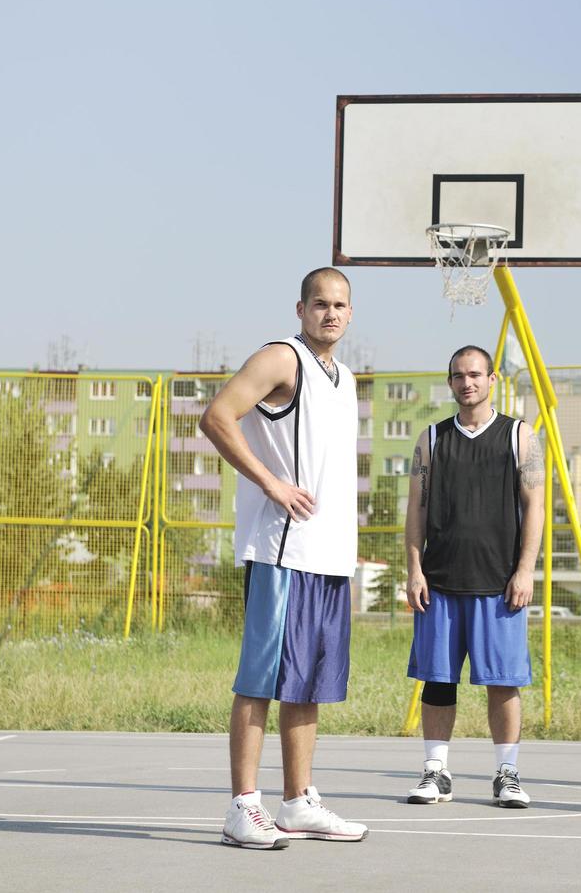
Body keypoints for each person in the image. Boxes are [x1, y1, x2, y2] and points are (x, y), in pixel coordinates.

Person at [200, 267, 368, 850]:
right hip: (281, 549)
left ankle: (297, 802)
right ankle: (243, 806)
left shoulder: (344, 377)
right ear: (299, 309)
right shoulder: (281, 358)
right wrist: (271, 483)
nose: (330, 313)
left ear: (350, 313)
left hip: (328, 554)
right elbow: (217, 416)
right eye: (319, 303)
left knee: (309, 683)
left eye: (340, 305)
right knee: (262, 679)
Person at [402, 345, 546, 809]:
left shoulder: (520, 436)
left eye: (476, 374)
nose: (468, 383)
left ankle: (507, 774)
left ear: (492, 380)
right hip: (441, 580)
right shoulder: (431, 439)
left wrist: (526, 570)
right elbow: (415, 509)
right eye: (459, 376)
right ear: (450, 383)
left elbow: (536, 507)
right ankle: (435, 771)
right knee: (438, 680)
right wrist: (413, 567)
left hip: (500, 583)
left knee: (503, 683)